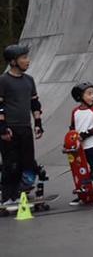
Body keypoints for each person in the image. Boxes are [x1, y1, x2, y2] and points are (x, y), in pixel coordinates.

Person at [0, 44, 43, 208]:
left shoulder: (29, 80)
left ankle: (19, 193)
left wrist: (38, 123)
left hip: (25, 127)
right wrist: (2, 127)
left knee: (27, 163)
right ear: (13, 62)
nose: (28, 61)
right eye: (24, 58)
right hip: (9, 128)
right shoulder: (3, 80)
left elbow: (35, 104)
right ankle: (7, 196)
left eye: (27, 57)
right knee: (11, 163)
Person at [69, 82, 93, 206]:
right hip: (79, 148)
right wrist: (70, 141)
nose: (92, 96)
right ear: (80, 96)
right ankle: (83, 196)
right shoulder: (75, 111)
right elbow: (72, 128)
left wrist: (85, 134)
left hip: (92, 146)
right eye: (89, 94)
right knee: (80, 172)